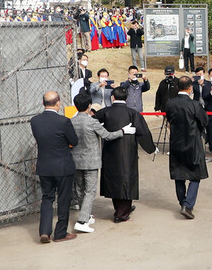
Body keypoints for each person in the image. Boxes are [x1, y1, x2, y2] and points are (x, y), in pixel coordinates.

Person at [94, 87, 157, 223]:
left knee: (113, 179)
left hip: (110, 150)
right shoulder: (133, 113)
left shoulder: (105, 112)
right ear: (127, 98)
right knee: (127, 179)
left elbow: (92, 122)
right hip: (127, 151)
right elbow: (143, 133)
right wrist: (151, 148)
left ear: (112, 98)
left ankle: (119, 208)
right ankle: (122, 213)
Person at [70, 93, 128, 234]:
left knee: (79, 189)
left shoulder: (71, 121)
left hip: (76, 160)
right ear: (89, 106)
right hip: (91, 161)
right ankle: (82, 221)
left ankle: (87, 215)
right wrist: (122, 131)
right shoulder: (92, 122)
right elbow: (108, 135)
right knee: (90, 191)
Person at [30, 92, 80, 243]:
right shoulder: (63, 121)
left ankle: (44, 231)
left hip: (44, 166)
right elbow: (74, 141)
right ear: (58, 103)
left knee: (47, 198)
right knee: (63, 199)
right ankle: (60, 233)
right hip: (63, 166)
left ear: (43, 103)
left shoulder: (35, 121)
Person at [165, 76, 210, 219]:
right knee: (195, 175)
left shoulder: (170, 104)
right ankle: (188, 204)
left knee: (179, 175)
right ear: (190, 87)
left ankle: (182, 202)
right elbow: (204, 121)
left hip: (176, 143)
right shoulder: (195, 105)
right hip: (192, 143)